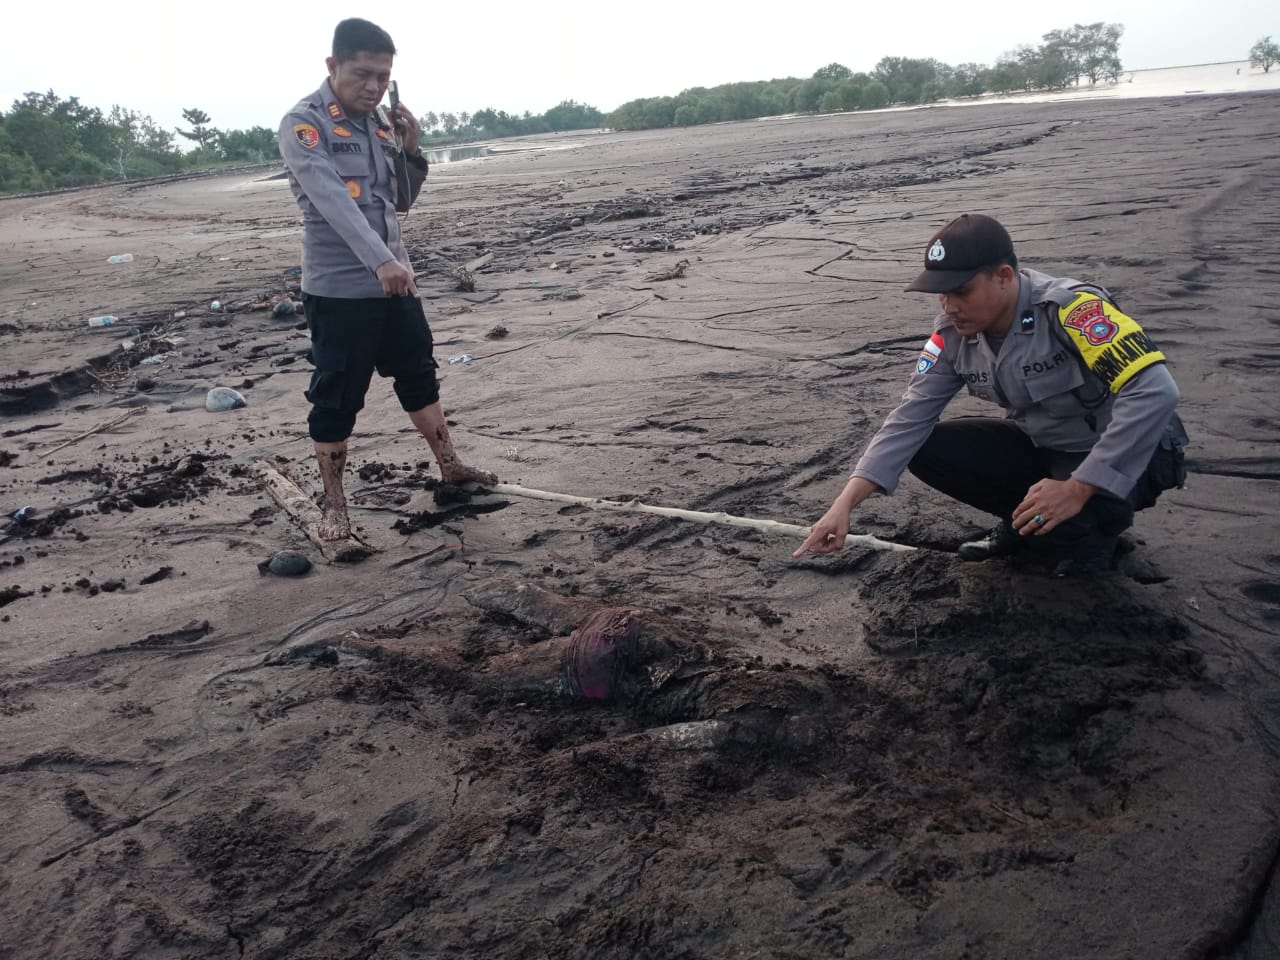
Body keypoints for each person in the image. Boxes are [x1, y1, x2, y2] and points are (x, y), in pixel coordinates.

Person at [794, 214, 1187, 577]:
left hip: (1135, 451)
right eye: (940, 294)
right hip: (1049, 447)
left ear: (1003, 276)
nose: (949, 306)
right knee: (929, 447)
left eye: (960, 291)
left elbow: (1155, 391)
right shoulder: (951, 334)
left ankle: (1094, 537)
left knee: (1079, 514)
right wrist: (843, 506)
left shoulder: (1072, 310)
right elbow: (908, 418)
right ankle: (1027, 523)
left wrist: (1079, 486)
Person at [279, 18, 495, 540]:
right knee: (337, 397)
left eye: (382, 76)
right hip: (341, 291)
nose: (373, 87)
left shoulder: (378, 125)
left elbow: (397, 201)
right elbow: (333, 202)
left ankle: (450, 464)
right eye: (362, 74)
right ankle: (334, 505)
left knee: (419, 374)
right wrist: (379, 261)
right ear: (332, 67)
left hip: (396, 284)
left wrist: (412, 149)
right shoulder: (304, 125)